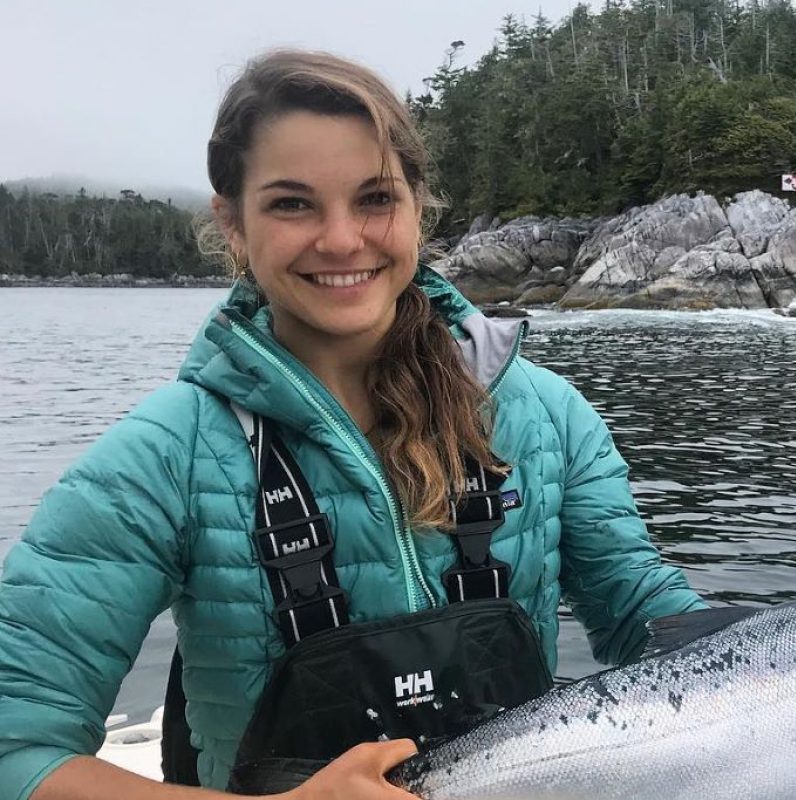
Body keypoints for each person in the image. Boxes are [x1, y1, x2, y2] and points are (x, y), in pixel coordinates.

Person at [0, 49, 704, 800]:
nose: (341, 241)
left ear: (416, 204)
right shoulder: (164, 458)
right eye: (292, 204)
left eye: (373, 198)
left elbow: (650, 626)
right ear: (232, 222)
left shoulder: (548, 417)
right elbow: (19, 743)